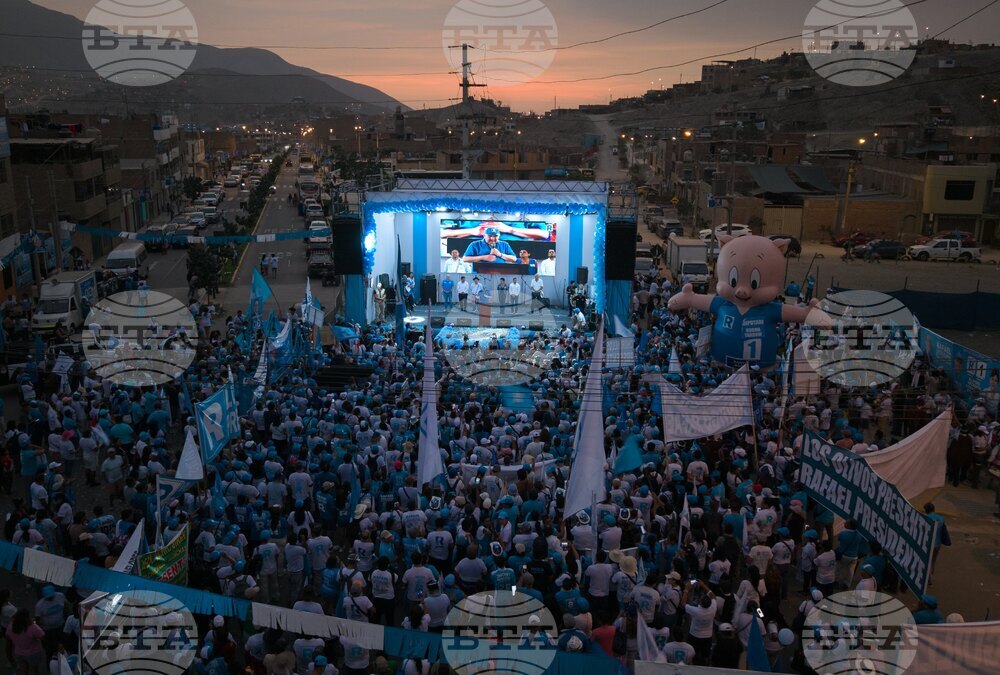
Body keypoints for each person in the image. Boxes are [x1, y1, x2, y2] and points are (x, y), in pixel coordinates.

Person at [6, 608, 46, 675]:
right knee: (33, 670)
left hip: (19, 653)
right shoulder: (33, 627)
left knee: (23, 670)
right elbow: (42, 636)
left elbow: (8, 638)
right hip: (33, 652)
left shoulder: (11, 626)